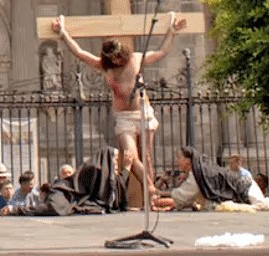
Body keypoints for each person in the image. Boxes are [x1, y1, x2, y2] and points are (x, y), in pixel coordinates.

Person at [53, 12, 187, 202]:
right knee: (131, 156)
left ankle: (150, 195)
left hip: (143, 112)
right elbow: (81, 54)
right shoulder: (105, 66)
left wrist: (172, 31)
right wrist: (64, 32)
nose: (116, 61)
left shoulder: (136, 59)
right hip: (123, 117)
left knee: (147, 156)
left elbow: (160, 53)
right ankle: (150, 187)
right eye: (112, 58)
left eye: (117, 57)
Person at [167, 147, 269, 212]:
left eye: (179, 158)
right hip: (239, 188)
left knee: (261, 205)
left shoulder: (197, 174)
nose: (177, 161)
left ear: (188, 160)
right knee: (257, 205)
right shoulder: (198, 172)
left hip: (245, 185)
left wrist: (156, 192)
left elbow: (180, 196)